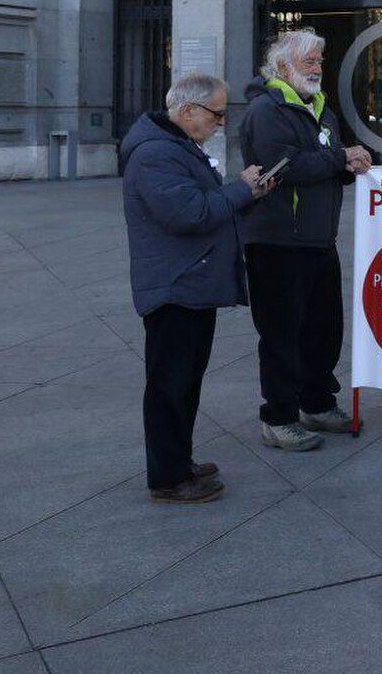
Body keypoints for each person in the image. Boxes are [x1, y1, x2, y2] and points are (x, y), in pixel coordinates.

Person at [121, 73, 274, 503]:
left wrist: (246, 193)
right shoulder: (155, 154)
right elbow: (189, 213)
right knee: (170, 385)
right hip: (174, 286)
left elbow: (202, 206)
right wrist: (242, 189)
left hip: (190, 281)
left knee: (185, 381)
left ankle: (179, 461)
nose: (221, 122)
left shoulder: (176, 145)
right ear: (187, 111)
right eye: (217, 114)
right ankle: (168, 477)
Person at [239, 31, 372, 452]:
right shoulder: (267, 110)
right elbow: (286, 166)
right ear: (283, 67)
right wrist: (340, 158)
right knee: (281, 334)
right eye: (309, 62)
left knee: (323, 329)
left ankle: (317, 403)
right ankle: (279, 418)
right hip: (278, 241)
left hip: (317, 239)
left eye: (319, 61)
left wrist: (349, 165)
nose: (318, 69)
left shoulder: (319, 108)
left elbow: (325, 162)